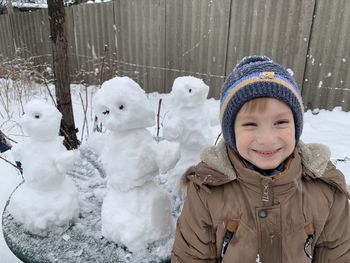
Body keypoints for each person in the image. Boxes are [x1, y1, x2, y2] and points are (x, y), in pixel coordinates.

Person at [171, 56, 350, 263]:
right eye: (250, 124)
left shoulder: (325, 189)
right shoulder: (207, 190)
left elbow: (340, 253)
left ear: (296, 125)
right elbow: (191, 257)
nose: (267, 139)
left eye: (281, 122)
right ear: (231, 132)